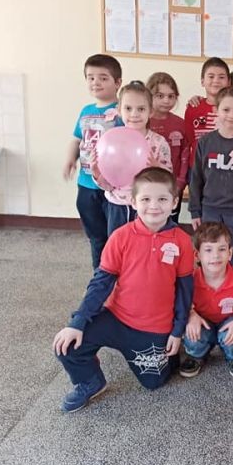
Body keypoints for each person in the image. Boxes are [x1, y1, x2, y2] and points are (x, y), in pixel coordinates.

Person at [52, 167, 194, 412]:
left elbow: (185, 290)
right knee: (67, 346)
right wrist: (77, 322)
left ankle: (167, 357)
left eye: (162, 199)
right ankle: (90, 381)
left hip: (153, 327)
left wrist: (177, 331)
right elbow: (101, 283)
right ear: (133, 201)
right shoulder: (120, 237)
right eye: (146, 199)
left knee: (154, 383)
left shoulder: (181, 241)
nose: (154, 206)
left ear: (174, 202)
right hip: (116, 318)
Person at [188, 86, 233, 269]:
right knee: (210, 249)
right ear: (216, 110)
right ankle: (208, 283)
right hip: (210, 209)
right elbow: (196, 178)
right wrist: (195, 210)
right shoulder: (205, 142)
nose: (231, 115)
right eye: (226, 109)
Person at [63, 53, 123, 270]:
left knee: (115, 236)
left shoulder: (122, 112)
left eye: (103, 78)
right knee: (96, 237)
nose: (96, 82)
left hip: (113, 187)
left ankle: (116, 275)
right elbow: (77, 139)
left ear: (117, 82)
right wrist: (70, 159)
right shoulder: (86, 111)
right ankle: (99, 274)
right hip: (87, 185)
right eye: (90, 77)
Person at [91, 82, 172, 235]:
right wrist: (97, 173)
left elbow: (169, 180)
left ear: (150, 112)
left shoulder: (158, 142)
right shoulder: (111, 141)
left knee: (146, 245)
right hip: (118, 205)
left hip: (148, 207)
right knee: (118, 243)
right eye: (128, 108)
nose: (134, 114)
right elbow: (109, 185)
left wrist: (157, 168)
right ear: (119, 110)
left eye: (141, 109)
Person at [179, 222, 233, 379]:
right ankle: (197, 355)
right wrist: (191, 315)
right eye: (208, 250)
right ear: (197, 255)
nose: (215, 256)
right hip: (202, 322)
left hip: (229, 322)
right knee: (190, 329)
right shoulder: (189, 280)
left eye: (222, 249)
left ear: (230, 253)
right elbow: (182, 305)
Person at [184, 58, 233, 171]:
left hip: (228, 168)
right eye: (211, 77)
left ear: (229, 82)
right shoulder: (193, 108)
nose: (216, 81)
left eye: (221, 77)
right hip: (198, 167)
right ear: (202, 81)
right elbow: (190, 139)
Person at [146, 72, 190, 224]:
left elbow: (185, 154)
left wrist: (180, 182)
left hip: (172, 185)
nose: (166, 100)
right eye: (160, 96)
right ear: (149, 96)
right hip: (146, 185)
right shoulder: (143, 122)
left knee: (170, 223)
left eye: (171, 96)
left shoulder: (180, 124)